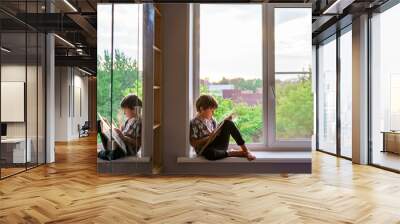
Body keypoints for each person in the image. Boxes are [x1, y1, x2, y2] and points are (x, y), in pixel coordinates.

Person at [189, 95, 256, 161]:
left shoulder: (212, 120)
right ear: (202, 108)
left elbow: (216, 133)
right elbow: (193, 143)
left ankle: (246, 151)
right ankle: (232, 153)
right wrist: (208, 138)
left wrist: (223, 124)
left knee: (228, 123)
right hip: (207, 150)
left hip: (218, 147)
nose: (213, 113)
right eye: (211, 110)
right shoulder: (194, 123)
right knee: (211, 154)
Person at [98, 94, 142, 160]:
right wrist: (116, 130)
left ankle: (100, 153)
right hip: (120, 145)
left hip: (127, 150)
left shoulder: (139, 122)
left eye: (125, 110)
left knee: (113, 155)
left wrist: (124, 137)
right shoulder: (129, 120)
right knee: (100, 123)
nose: (124, 113)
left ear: (133, 109)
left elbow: (138, 143)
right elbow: (123, 134)